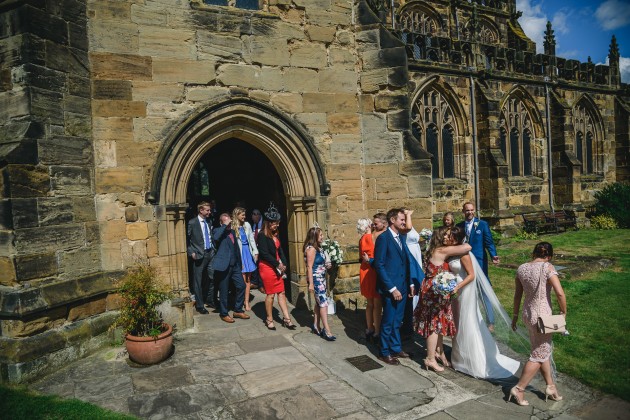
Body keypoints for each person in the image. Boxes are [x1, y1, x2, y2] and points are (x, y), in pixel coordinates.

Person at [448, 226, 521, 378]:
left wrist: (457, 286)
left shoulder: (464, 254)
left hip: (463, 291)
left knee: (466, 322)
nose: (447, 238)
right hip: (455, 290)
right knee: (458, 322)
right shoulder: (452, 252)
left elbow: (471, 275)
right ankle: (459, 357)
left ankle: (472, 360)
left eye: (450, 236)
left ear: (457, 238)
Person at [510, 242, 567, 406]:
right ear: (549, 256)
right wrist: (564, 313)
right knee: (538, 354)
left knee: (542, 350)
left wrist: (514, 316)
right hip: (542, 317)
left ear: (534, 253)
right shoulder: (547, 267)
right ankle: (519, 388)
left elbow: (517, 296)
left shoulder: (521, 268)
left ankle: (551, 386)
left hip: (528, 314)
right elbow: (560, 293)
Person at [415, 226, 471, 372]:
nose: (447, 237)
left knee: (437, 323)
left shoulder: (432, 249)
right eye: (445, 235)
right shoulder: (442, 250)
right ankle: (430, 359)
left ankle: (439, 354)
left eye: (449, 235)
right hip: (435, 290)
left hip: (429, 287)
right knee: (434, 324)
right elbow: (468, 246)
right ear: (439, 238)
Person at [373, 208, 415, 366]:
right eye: (401, 219)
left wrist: (410, 283)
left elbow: (406, 261)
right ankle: (384, 352)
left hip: (403, 286)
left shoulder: (401, 237)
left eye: (404, 219)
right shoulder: (384, 238)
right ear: (392, 220)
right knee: (389, 320)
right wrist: (392, 288)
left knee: (398, 320)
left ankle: (396, 348)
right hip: (391, 289)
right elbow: (379, 265)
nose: (404, 222)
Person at [456, 202, 500, 331]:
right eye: (467, 210)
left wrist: (494, 255)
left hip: (479, 262)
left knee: (483, 290)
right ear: (463, 211)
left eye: (472, 210)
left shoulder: (482, 225)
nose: (470, 212)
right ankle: (468, 319)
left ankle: (490, 321)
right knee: (466, 290)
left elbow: (489, 242)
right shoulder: (459, 226)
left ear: (474, 211)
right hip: (463, 262)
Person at [257, 203, 296, 330]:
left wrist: (284, 263)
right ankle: (269, 319)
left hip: (277, 266)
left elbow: (280, 250)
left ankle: (286, 318)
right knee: (271, 294)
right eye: (275, 223)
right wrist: (277, 264)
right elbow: (264, 253)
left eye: (277, 223)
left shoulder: (276, 233)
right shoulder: (262, 235)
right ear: (268, 223)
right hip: (267, 267)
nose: (277, 225)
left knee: (282, 292)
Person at [212, 213, 250, 323]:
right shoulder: (217, 230)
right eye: (227, 222)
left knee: (241, 285)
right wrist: (224, 225)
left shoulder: (232, 232)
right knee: (223, 291)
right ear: (221, 222)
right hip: (223, 266)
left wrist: (240, 262)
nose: (229, 224)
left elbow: (236, 248)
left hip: (235, 266)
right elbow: (215, 238)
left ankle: (238, 310)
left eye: (230, 222)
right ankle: (224, 313)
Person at [304, 226, 335, 340]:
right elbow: (309, 267)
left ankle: (316, 325)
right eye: (320, 235)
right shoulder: (311, 249)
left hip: (321, 279)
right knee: (323, 304)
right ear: (315, 236)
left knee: (319, 304)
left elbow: (320, 263)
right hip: (316, 280)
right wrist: (311, 284)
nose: (322, 237)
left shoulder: (319, 248)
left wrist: (327, 265)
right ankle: (327, 329)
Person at [186, 201, 216, 314]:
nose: (210, 212)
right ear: (201, 210)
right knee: (197, 281)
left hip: (210, 253)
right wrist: (191, 252)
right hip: (198, 254)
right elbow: (186, 239)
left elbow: (210, 236)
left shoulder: (209, 221)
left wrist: (214, 249)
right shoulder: (192, 222)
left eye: (209, 210)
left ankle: (209, 299)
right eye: (207, 210)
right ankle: (199, 305)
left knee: (212, 276)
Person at [401, 208, 424, 339]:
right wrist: (408, 214)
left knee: (417, 283)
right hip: (410, 255)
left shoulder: (410, 225)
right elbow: (408, 228)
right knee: (413, 281)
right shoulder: (404, 228)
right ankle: (409, 318)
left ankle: (415, 313)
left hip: (416, 254)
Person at [357, 218, 381, 342]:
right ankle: (377, 330)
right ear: (368, 226)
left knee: (369, 303)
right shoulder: (370, 238)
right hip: (372, 270)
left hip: (365, 269)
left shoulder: (362, 239)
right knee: (377, 304)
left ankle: (369, 327)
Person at [232, 207, 258, 311]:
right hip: (239, 255)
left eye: (244, 214)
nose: (244, 216)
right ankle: (240, 300)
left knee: (248, 280)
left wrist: (255, 252)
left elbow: (251, 239)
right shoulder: (232, 227)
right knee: (242, 281)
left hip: (248, 253)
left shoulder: (247, 225)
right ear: (237, 215)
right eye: (242, 214)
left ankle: (246, 302)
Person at [250, 208, 263, 292]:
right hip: (255, 249)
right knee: (255, 266)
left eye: (255, 215)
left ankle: (261, 285)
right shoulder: (254, 225)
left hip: (262, 249)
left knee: (261, 267)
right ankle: (255, 283)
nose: (253, 218)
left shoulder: (263, 225)